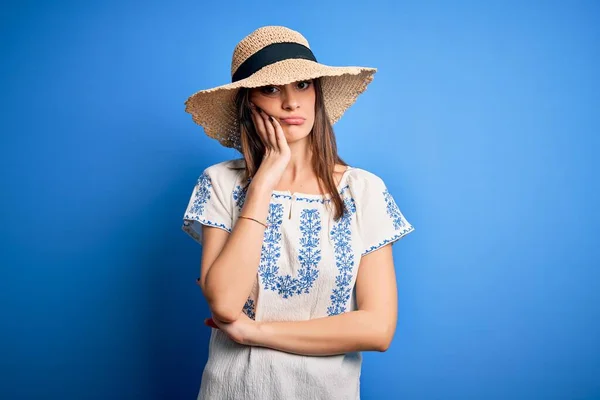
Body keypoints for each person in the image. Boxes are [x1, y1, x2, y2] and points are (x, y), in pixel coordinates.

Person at [181, 25, 415, 400]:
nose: (291, 102)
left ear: (317, 93)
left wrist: (254, 332)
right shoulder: (222, 183)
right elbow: (224, 303)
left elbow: (377, 329)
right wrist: (264, 181)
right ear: (248, 103)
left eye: (303, 84)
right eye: (271, 88)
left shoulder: (363, 190)